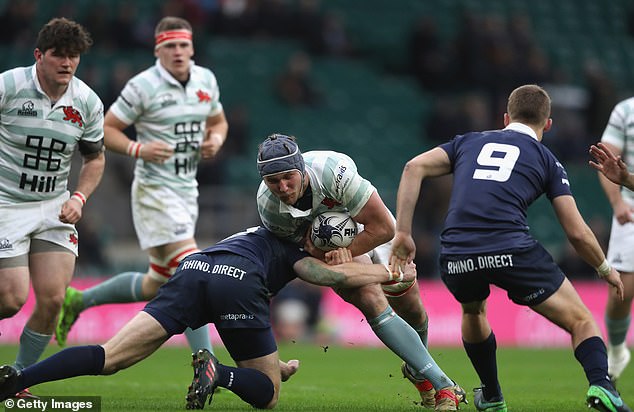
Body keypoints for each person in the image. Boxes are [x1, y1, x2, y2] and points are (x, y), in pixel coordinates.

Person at [389, 84, 631, 412]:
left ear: (505, 118)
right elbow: (576, 233)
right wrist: (605, 269)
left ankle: (491, 395)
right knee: (581, 321)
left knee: (473, 310)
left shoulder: (467, 142)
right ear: (548, 124)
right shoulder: (547, 159)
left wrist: (403, 233)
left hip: (457, 253)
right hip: (510, 249)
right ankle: (602, 386)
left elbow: (412, 167)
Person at [0, 227, 416, 409]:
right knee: (267, 395)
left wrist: (277, 365)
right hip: (237, 282)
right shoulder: (302, 249)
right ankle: (219, 374)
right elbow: (331, 274)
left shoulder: (262, 224)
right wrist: (390, 272)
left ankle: (18, 379)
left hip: (195, 267)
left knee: (110, 358)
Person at [55, 16, 229, 357]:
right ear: (157, 49)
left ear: (192, 48)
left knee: (157, 282)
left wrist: (216, 139)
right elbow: (108, 129)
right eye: (170, 46)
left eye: (183, 45)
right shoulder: (143, 86)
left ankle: (79, 299)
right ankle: (205, 361)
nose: (178, 52)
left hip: (186, 190)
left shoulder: (205, 79)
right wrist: (139, 149)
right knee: (191, 272)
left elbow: (218, 121)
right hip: (154, 193)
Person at [256, 134, 466, 411]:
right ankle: (443, 386)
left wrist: (350, 247)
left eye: (288, 177)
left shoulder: (333, 171)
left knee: (410, 303)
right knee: (370, 299)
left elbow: (382, 228)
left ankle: (417, 371)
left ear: (301, 169)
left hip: (367, 228)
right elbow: (304, 251)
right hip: (327, 250)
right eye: (273, 181)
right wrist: (334, 255)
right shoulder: (270, 209)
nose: (282, 187)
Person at [0, 17, 105, 397]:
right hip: (6, 204)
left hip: (54, 207)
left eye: (73, 56)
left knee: (54, 299)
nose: (67, 63)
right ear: (39, 55)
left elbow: (95, 158)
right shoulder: (9, 86)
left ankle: (16, 379)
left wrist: (79, 197)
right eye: (59, 55)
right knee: (11, 299)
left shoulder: (88, 102)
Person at [590, 135, 634, 384]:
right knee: (622, 293)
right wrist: (625, 182)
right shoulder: (626, 111)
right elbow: (610, 152)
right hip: (630, 213)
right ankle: (617, 351)